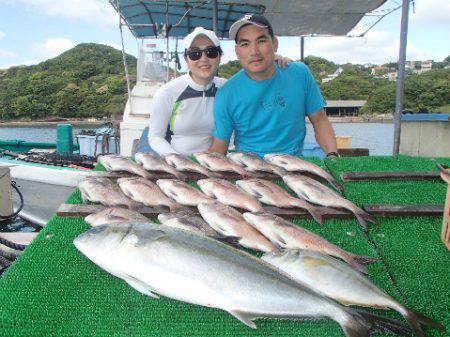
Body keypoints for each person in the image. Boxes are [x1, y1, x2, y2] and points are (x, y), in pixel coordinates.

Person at [209, 14, 339, 158]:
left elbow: (320, 120)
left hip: (294, 164)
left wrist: (332, 155)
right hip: (249, 169)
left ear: (275, 43)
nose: (254, 51)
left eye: (261, 41)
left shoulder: (299, 73)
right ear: (237, 51)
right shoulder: (226, 94)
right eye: (245, 44)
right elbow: (219, 149)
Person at [147, 26, 291, 156]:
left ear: (219, 56)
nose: (203, 59)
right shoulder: (168, 92)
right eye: (195, 54)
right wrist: (175, 159)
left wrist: (272, 60)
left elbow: (257, 80)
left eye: (211, 52)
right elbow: (155, 137)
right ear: (186, 58)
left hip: (216, 162)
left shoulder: (227, 89)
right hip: (176, 163)